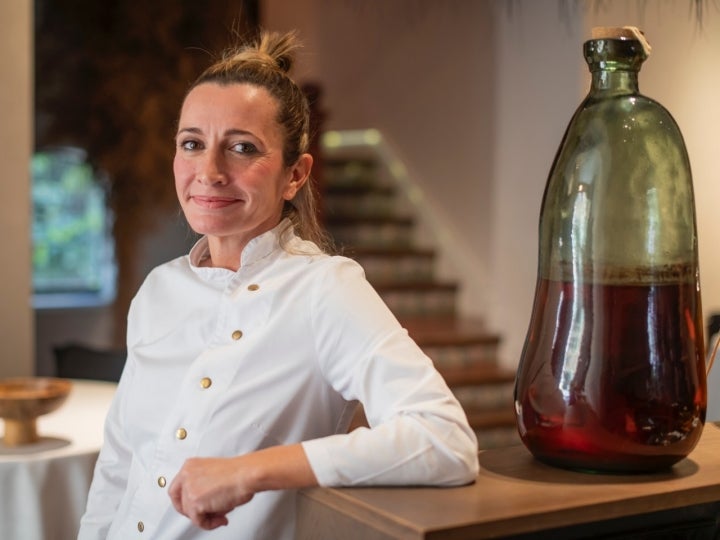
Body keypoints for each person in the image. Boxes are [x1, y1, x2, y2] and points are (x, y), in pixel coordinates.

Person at [78, 30, 479, 540]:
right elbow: (117, 466)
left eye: (242, 148)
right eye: (192, 144)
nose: (210, 171)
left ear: (294, 175)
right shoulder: (158, 291)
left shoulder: (325, 289)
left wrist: (250, 469)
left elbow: (444, 441)